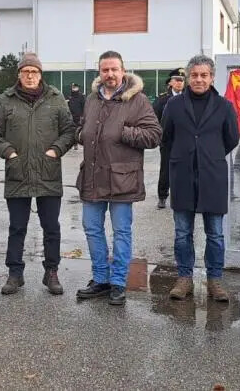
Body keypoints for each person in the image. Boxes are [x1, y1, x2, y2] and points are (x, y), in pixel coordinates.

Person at [0, 53, 76, 295]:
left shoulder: (56, 99)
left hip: (48, 173)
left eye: (34, 72)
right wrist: (9, 153)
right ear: (19, 75)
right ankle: (15, 273)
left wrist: (55, 151)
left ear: (40, 74)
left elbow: (69, 131)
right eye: (26, 72)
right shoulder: (6, 100)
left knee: (51, 227)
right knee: (17, 227)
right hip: (18, 173)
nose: (30, 76)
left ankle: (52, 272)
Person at [75, 50, 162, 306]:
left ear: (123, 71)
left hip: (122, 179)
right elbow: (84, 126)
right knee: (92, 229)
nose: (110, 74)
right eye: (105, 70)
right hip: (92, 176)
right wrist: (82, 134)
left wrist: (122, 132)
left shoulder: (138, 100)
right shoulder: (92, 99)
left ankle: (118, 283)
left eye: (114, 69)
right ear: (99, 73)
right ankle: (100, 278)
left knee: (121, 232)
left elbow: (154, 135)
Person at [162, 55, 239, 302]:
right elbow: (167, 137)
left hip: (212, 176)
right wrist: (184, 155)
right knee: (182, 232)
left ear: (212, 77)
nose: (198, 79)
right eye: (194, 75)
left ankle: (215, 279)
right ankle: (184, 277)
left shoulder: (224, 106)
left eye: (204, 75)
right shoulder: (173, 106)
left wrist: (210, 155)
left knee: (215, 233)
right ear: (187, 77)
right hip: (182, 174)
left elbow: (232, 138)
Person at [152, 68, 185, 209]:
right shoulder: (163, 99)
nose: (179, 83)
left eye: (182, 80)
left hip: (185, 140)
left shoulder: (188, 97)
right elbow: (154, 119)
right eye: (177, 80)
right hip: (168, 140)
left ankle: (182, 196)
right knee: (166, 169)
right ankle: (162, 196)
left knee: (185, 169)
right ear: (170, 82)